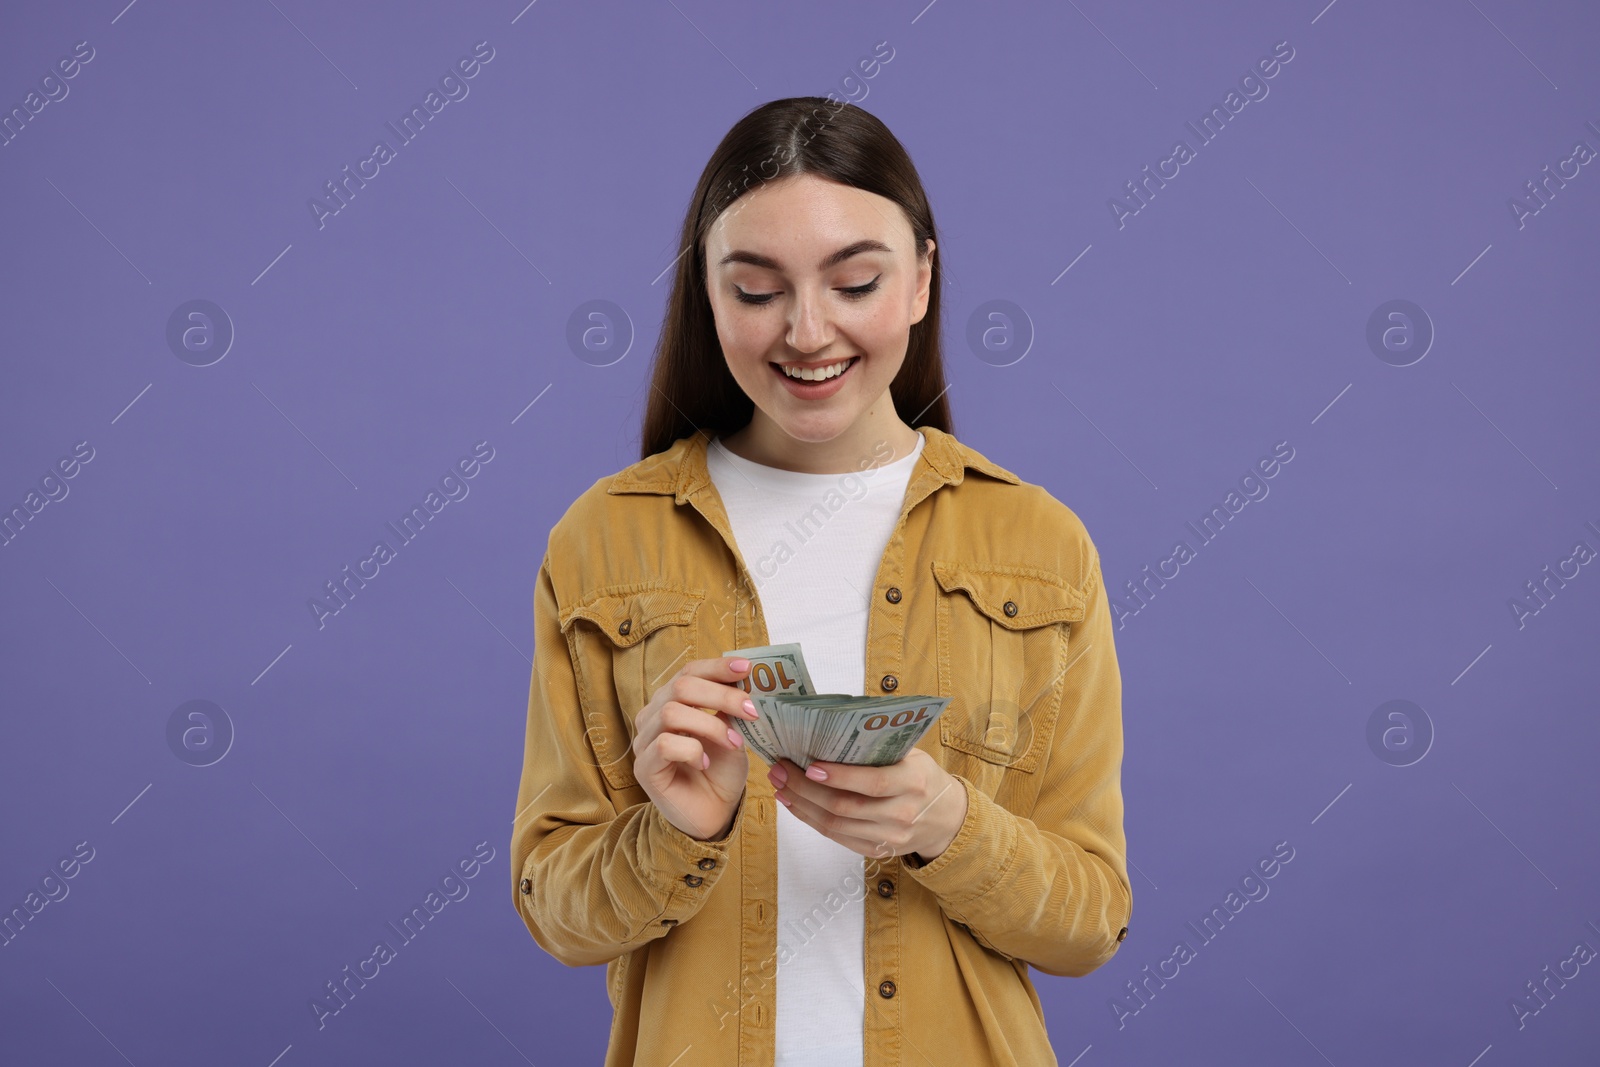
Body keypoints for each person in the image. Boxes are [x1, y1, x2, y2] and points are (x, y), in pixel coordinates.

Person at [511, 96, 1130, 1067]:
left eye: (854, 282)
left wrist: (947, 825)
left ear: (922, 279)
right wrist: (671, 829)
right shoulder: (602, 540)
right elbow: (559, 915)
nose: (806, 330)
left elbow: (1090, 921)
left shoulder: (1038, 542)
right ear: (705, 296)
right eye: (755, 289)